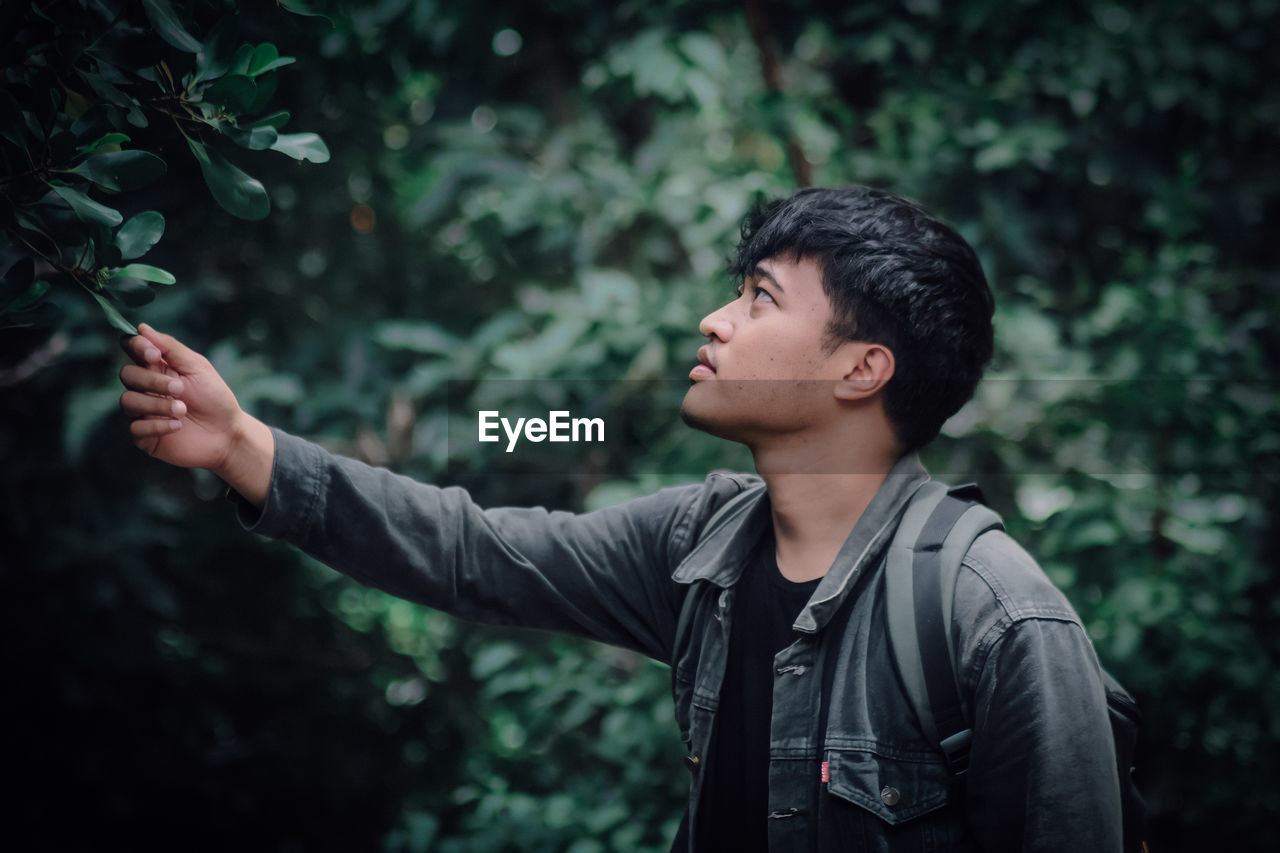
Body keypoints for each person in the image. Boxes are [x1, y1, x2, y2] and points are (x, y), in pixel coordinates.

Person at [119, 186, 1123, 851]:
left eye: (759, 299)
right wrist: (240, 444)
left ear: (860, 369)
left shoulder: (990, 616)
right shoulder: (701, 547)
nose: (714, 321)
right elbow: (476, 552)